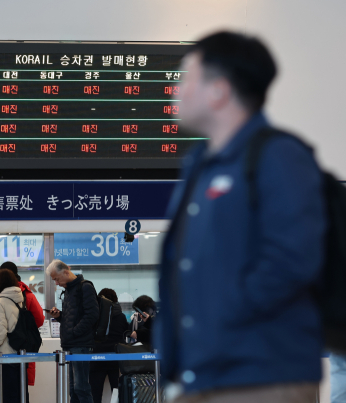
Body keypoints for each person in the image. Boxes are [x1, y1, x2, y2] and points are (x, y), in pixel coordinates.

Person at [155, 32, 326, 403]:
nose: (176, 89)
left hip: (260, 378)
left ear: (218, 90)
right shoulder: (199, 166)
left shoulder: (279, 156)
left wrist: (222, 316)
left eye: (186, 77)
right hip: (202, 375)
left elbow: (292, 261)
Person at [0, 262, 44, 399]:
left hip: (4, 354)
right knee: (21, 393)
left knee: (3, 393)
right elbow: (39, 320)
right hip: (21, 351)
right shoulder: (24, 296)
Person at [47, 259, 99, 403]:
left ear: (65, 272)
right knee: (73, 389)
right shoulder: (68, 291)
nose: (56, 283)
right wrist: (60, 316)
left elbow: (93, 314)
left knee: (81, 388)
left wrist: (74, 332)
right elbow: (73, 318)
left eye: (56, 279)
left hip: (80, 345)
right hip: (70, 345)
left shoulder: (85, 287)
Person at [0, 269, 29, 403]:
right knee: (20, 394)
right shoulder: (20, 299)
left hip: (6, 355)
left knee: (7, 396)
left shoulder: (0, 302)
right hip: (20, 354)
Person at [89, 289, 128, 403]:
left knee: (95, 394)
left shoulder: (96, 316)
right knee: (117, 393)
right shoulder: (121, 316)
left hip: (97, 356)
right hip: (115, 358)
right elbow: (125, 333)